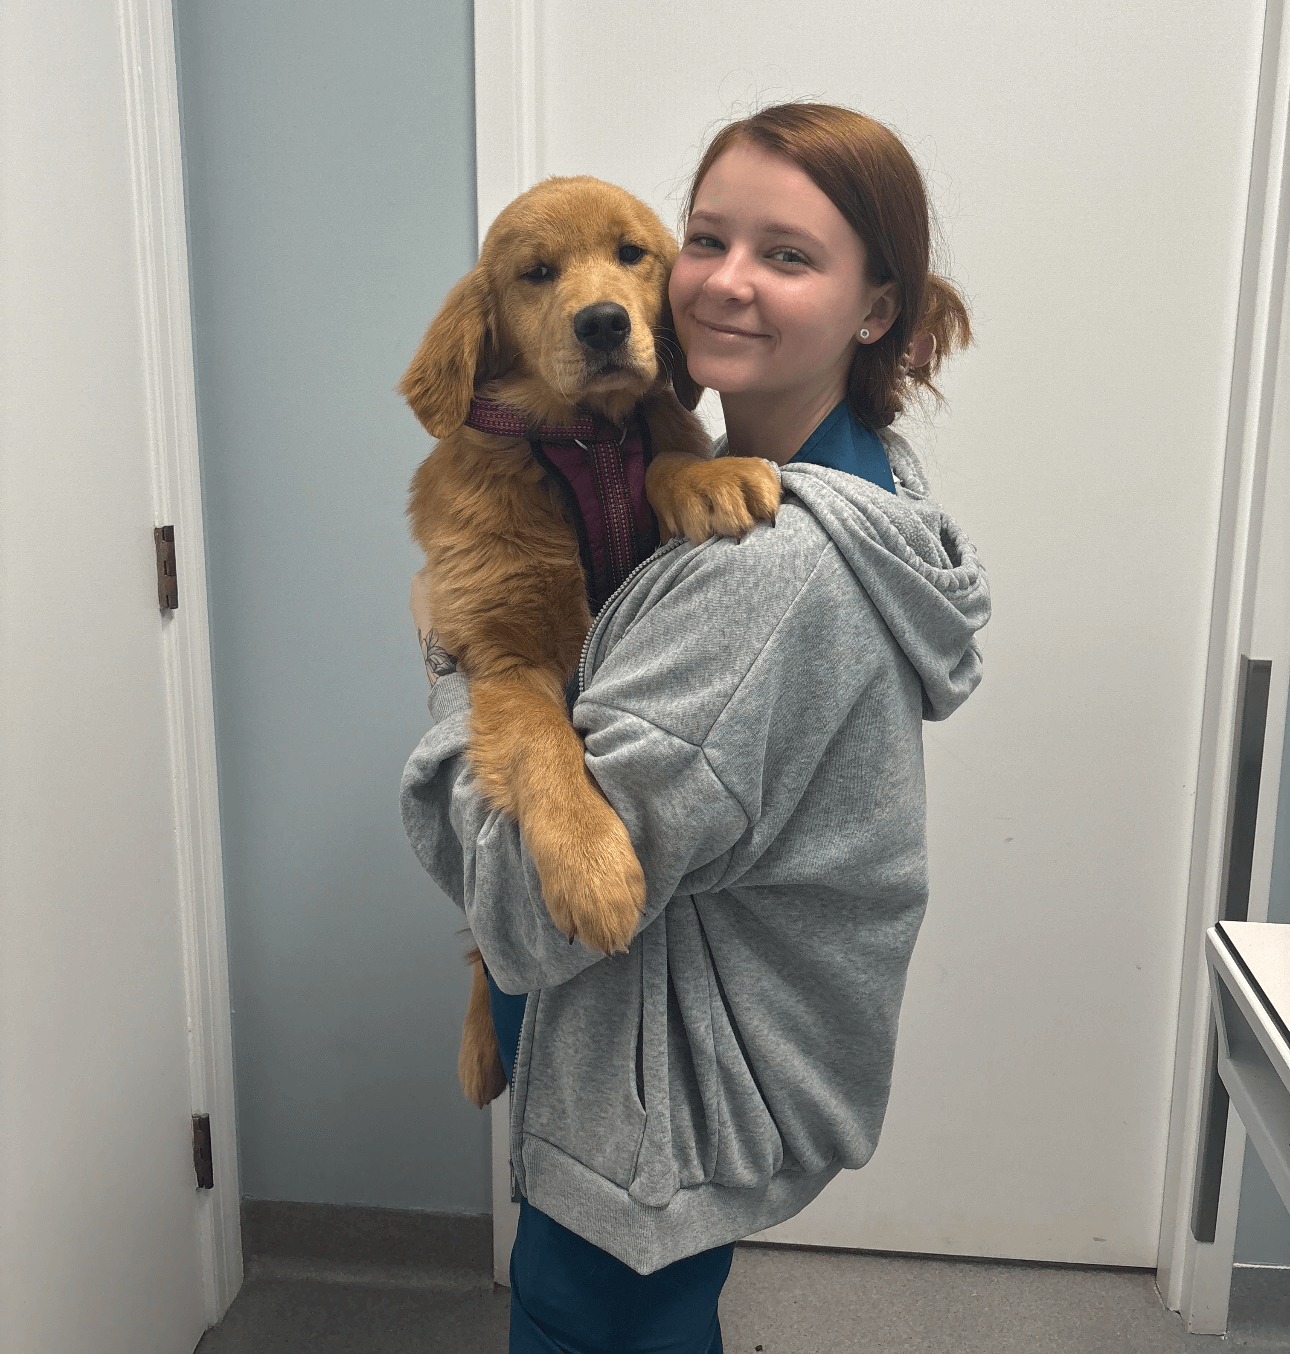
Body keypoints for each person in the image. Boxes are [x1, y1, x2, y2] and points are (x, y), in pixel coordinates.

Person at [401, 102, 990, 1353]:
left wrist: (458, 647)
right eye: (707, 238)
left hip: (647, 1075)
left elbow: (527, 898)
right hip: (694, 1025)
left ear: (875, 306)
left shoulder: (763, 572)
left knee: (586, 1314)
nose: (719, 280)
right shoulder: (843, 470)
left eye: (788, 255)